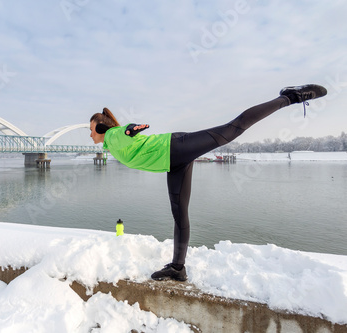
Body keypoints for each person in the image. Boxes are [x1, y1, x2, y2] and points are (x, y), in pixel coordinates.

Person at [89, 84, 327, 281]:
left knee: (233, 128)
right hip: (172, 163)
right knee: (179, 214)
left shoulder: (112, 136)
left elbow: (125, 132)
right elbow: (127, 135)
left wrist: (132, 130)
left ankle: (290, 97)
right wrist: (131, 132)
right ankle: (177, 268)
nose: (90, 135)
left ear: (101, 128)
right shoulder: (112, 145)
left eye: (92, 130)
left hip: (176, 148)